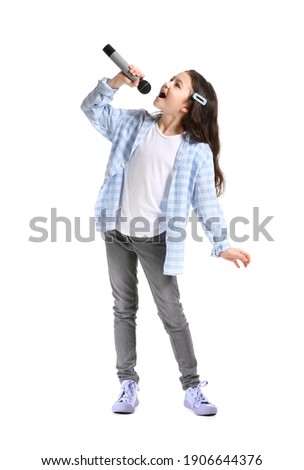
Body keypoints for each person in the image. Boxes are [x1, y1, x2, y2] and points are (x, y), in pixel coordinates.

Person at [81, 65, 251, 416]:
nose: (166, 84)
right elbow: (92, 109)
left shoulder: (195, 150)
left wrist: (222, 244)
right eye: (170, 79)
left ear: (188, 105)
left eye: (177, 84)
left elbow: (205, 201)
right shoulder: (134, 124)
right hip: (116, 231)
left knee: (172, 313)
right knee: (123, 309)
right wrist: (117, 82)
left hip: (155, 241)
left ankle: (192, 387)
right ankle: (127, 383)